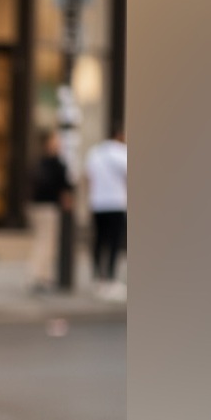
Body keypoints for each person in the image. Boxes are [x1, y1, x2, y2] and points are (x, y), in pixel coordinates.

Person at [26, 129, 73, 293]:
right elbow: (65, 188)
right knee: (45, 243)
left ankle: (43, 276)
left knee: (44, 242)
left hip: (38, 206)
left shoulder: (40, 161)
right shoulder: (56, 163)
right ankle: (38, 276)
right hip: (47, 208)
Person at [85, 126, 128, 299]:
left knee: (98, 240)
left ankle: (97, 278)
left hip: (97, 203)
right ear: (119, 136)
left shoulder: (94, 152)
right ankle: (110, 280)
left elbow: (87, 176)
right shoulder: (121, 152)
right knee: (114, 242)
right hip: (115, 202)